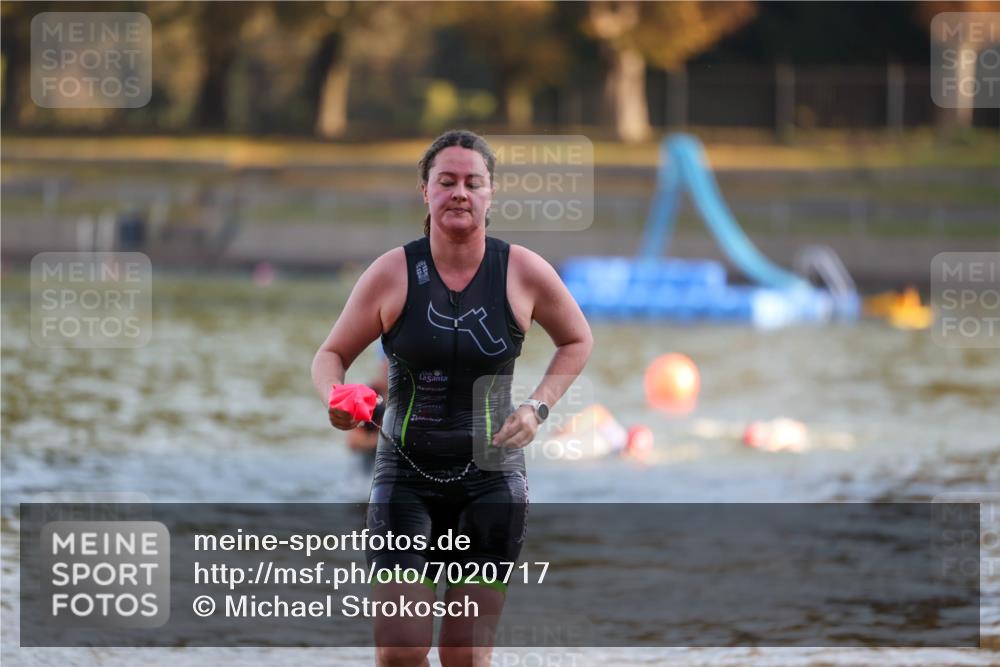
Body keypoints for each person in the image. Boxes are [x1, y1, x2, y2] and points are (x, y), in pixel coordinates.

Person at [311, 129, 592, 667]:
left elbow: (577, 340)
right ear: (426, 192)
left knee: (464, 655)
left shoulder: (523, 272)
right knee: (400, 650)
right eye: (446, 181)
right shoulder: (392, 272)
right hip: (405, 479)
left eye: (472, 182)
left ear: (490, 194)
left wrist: (538, 406)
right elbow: (329, 356)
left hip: (492, 481)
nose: (459, 192)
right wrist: (338, 396)